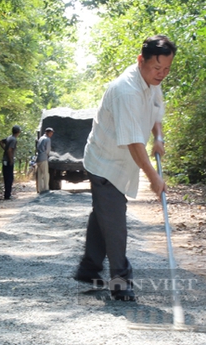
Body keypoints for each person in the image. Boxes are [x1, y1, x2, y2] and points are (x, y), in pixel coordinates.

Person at [74, 35, 176, 301]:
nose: (162, 75)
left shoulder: (152, 81)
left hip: (122, 162)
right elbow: (133, 142)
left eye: (166, 69)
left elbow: (156, 110)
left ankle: (89, 267)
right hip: (106, 163)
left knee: (104, 215)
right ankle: (120, 282)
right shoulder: (126, 91)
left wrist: (159, 137)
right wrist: (153, 176)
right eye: (157, 68)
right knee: (115, 222)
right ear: (141, 60)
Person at [0, 125, 21, 200]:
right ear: (18, 132)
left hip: (4, 160)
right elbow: (9, 150)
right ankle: (7, 195)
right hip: (8, 161)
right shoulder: (13, 139)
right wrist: (11, 160)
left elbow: (0, 142)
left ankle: (7, 194)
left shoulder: (9, 137)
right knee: (9, 178)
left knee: (6, 177)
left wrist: (4, 149)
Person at [35, 127, 54, 193]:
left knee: (39, 174)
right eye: (51, 133)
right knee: (46, 174)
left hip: (38, 158)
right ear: (47, 132)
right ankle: (46, 189)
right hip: (43, 158)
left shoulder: (40, 138)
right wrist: (47, 155)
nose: (51, 134)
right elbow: (47, 150)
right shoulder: (47, 139)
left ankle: (40, 189)